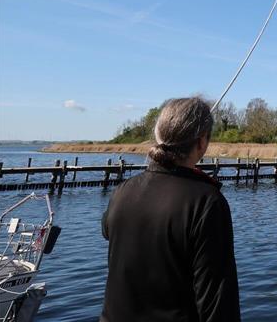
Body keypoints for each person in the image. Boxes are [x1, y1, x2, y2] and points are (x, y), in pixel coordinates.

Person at [100, 97, 241, 321]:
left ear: (158, 135)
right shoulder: (206, 202)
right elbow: (217, 301)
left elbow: (107, 230)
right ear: (202, 143)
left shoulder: (122, 192)